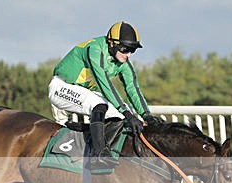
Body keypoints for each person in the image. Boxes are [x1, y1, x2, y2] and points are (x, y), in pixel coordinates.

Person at [49, 21, 159, 169]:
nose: (129, 54)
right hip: (61, 87)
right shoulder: (94, 49)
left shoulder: (123, 62)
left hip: (84, 92)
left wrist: (147, 116)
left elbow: (133, 88)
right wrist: (127, 113)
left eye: (132, 50)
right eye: (125, 49)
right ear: (112, 44)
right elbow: (105, 84)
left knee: (119, 116)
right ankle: (98, 154)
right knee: (100, 105)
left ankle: (106, 147)